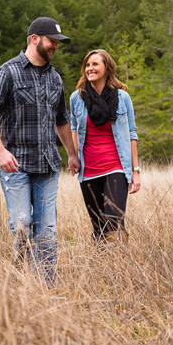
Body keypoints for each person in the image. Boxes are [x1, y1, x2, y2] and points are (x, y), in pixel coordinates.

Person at [0, 16, 81, 286]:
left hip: (47, 165)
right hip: (17, 165)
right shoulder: (7, 72)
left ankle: (46, 289)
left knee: (47, 232)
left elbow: (62, 119)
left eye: (58, 43)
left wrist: (71, 153)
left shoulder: (55, 78)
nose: (55, 47)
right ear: (34, 39)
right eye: (51, 41)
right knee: (23, 225)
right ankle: (21, 283)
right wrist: (0, 152)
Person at [69, 49, 140, 244]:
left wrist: (135, 171)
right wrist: (73, 157)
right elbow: (74, 129)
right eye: (87, 65)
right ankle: (103, 268)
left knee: (113, 221)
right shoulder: (77, 98)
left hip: (116, 166)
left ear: (107, 68)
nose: (90, 68)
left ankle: (119, 265)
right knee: (99, 227)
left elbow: (132, 134)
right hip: (89, 169)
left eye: (95, 64)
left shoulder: (122, 97)